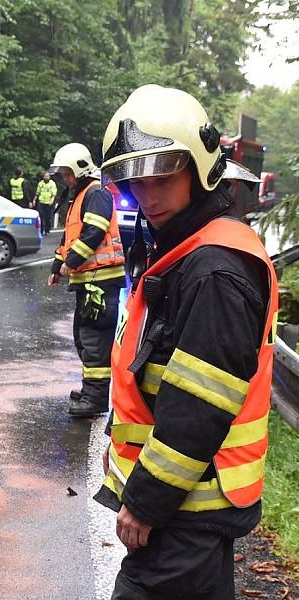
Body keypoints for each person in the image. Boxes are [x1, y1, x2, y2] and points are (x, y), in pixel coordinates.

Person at [95, 84, 277, 600]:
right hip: (186, 511)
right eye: (134, 183)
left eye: (162, 180)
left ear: (198, 171)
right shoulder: (187, 249)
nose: (147, 198)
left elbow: (199, 405)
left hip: (183, 514)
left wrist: (146, 502)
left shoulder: (213, 269)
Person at [47, 143, 126, 417]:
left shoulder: (96, 194)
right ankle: (90, 390)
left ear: (81, 168)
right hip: (91, 281)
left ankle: (95, 398)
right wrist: (58, 266)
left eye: (68, 173)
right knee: (84, 337)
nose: (65, 179)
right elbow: (69, 238)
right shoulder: (80, 196)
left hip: (101, 282)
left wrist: (71, 263)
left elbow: (93, 232)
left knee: (94, 340)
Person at [34, 171, 58, 235]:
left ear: (49, 177)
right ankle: (41, 230)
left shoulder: (52, 183)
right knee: (41, 216)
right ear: (43, 177)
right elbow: (37, 192)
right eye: (45, 176)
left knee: (48, 217)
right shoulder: (40, 183)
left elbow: (54, 193)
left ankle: (47, 230)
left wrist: (52, 200)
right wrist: (34, 200)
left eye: (47, 176)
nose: (46, 177)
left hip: (48, 202)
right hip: (41, 201)